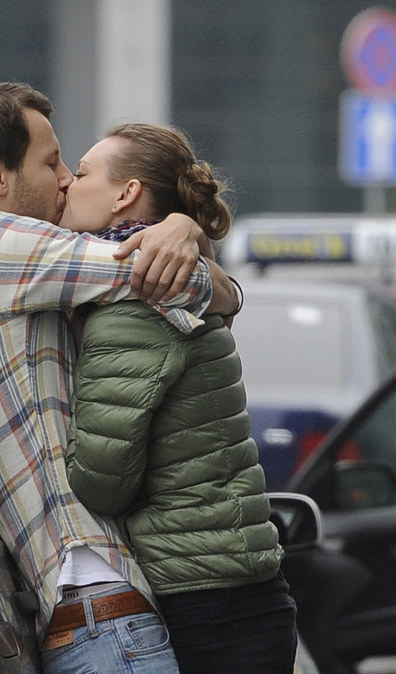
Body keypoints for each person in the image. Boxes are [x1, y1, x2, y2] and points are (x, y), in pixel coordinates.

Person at [0, 82, 240, 674]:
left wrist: (186, 238)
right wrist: (184, 237)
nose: (65, 177)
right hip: (101, 603)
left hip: (73, 610)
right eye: (50, 160)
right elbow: (170, 279)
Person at [60, 123, 298, 674]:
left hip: (202, 600)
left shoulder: (133, 304)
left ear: (126, 194)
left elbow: (102, 480)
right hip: (240, 590)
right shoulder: (180, 280)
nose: (69, 184)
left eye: (82, 172)